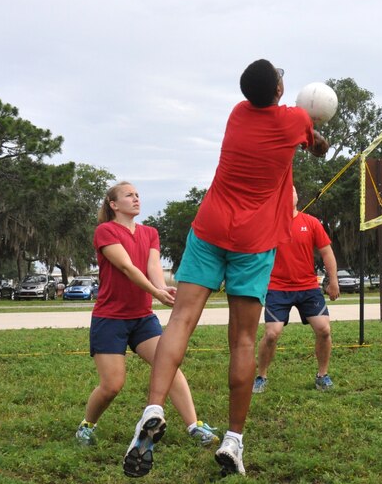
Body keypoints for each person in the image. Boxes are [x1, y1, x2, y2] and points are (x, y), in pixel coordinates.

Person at [123, 60, 329, 478]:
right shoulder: (294, 121)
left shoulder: (237, 114)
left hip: (210, 228)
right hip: (253, 243)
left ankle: (154, 407)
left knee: (179, 319)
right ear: (278, 89)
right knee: (242, 341)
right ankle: (233, 440)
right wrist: (316, 133)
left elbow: (287, 121)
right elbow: (316, 144)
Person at [76, 182, 218, 448]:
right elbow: (127, 268)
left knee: (169, 367)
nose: (136, 198)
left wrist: (163, 288)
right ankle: (87, 425)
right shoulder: (105, 231)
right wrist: (156, 291)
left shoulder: (150, 232)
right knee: (112, 385)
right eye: (129, 195)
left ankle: (194, 426)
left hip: (142, 317)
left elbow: (153, 267)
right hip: (110, 318)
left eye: (138, 195)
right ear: (114, 205)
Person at [253, 186, 340, 394]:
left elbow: (327, 253)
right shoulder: (270, 224)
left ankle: (322, 376)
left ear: (297, 196)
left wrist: (333, 281)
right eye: (284, 192)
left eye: (292, 190)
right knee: (272, 334)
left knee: (324, 330)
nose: (288, 194)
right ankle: (261, 376)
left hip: (308, 287)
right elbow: (254, 254)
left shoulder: (311, 223)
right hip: (277, 288)